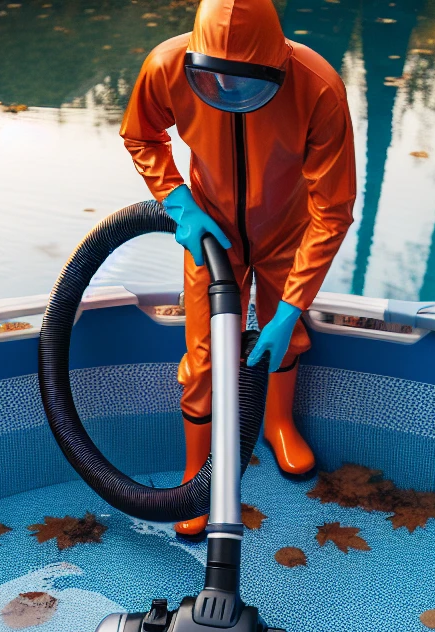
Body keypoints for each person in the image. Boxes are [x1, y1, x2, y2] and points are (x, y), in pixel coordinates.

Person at [121, 0, 357, 537]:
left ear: (275, 64)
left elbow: (334, 207)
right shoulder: (166, 65)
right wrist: (177, 200)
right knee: (204, 359)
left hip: (288, 230)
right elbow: (141, 135)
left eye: (244, 82)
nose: (229, 93)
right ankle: (196, 477)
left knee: (285, 336)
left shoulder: (317, 85)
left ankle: (277, 423)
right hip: (210, 234)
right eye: (217, 80)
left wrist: (291, 307)